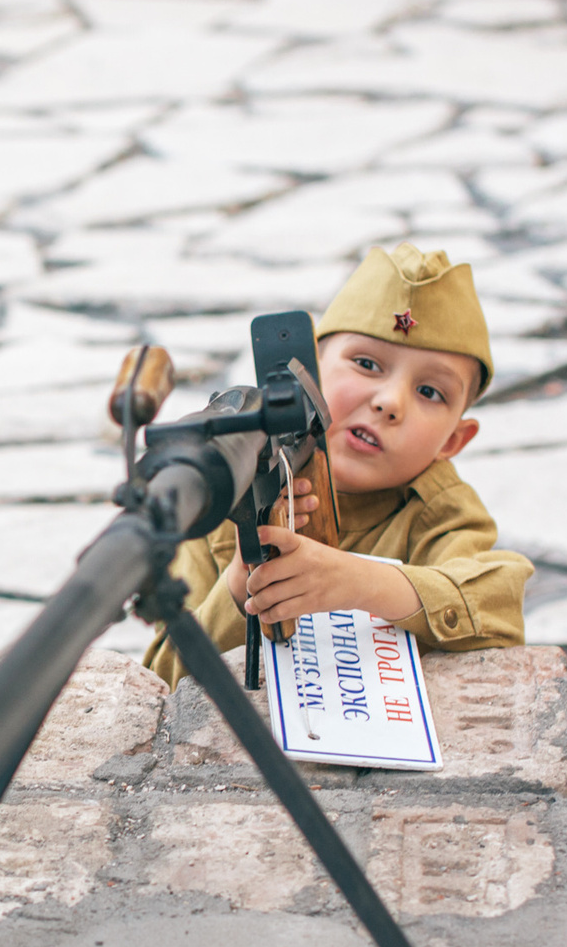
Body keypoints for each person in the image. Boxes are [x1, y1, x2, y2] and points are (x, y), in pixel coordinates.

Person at [142, 243, 532, 687]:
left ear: (454, 440)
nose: (389, 402)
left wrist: (360, 583)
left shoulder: (438, 509)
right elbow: (162, 678)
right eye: (366, 364)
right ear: (310, 374)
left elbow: (498, 610)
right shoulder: (231, 483)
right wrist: (239, 588)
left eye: (430, 392)